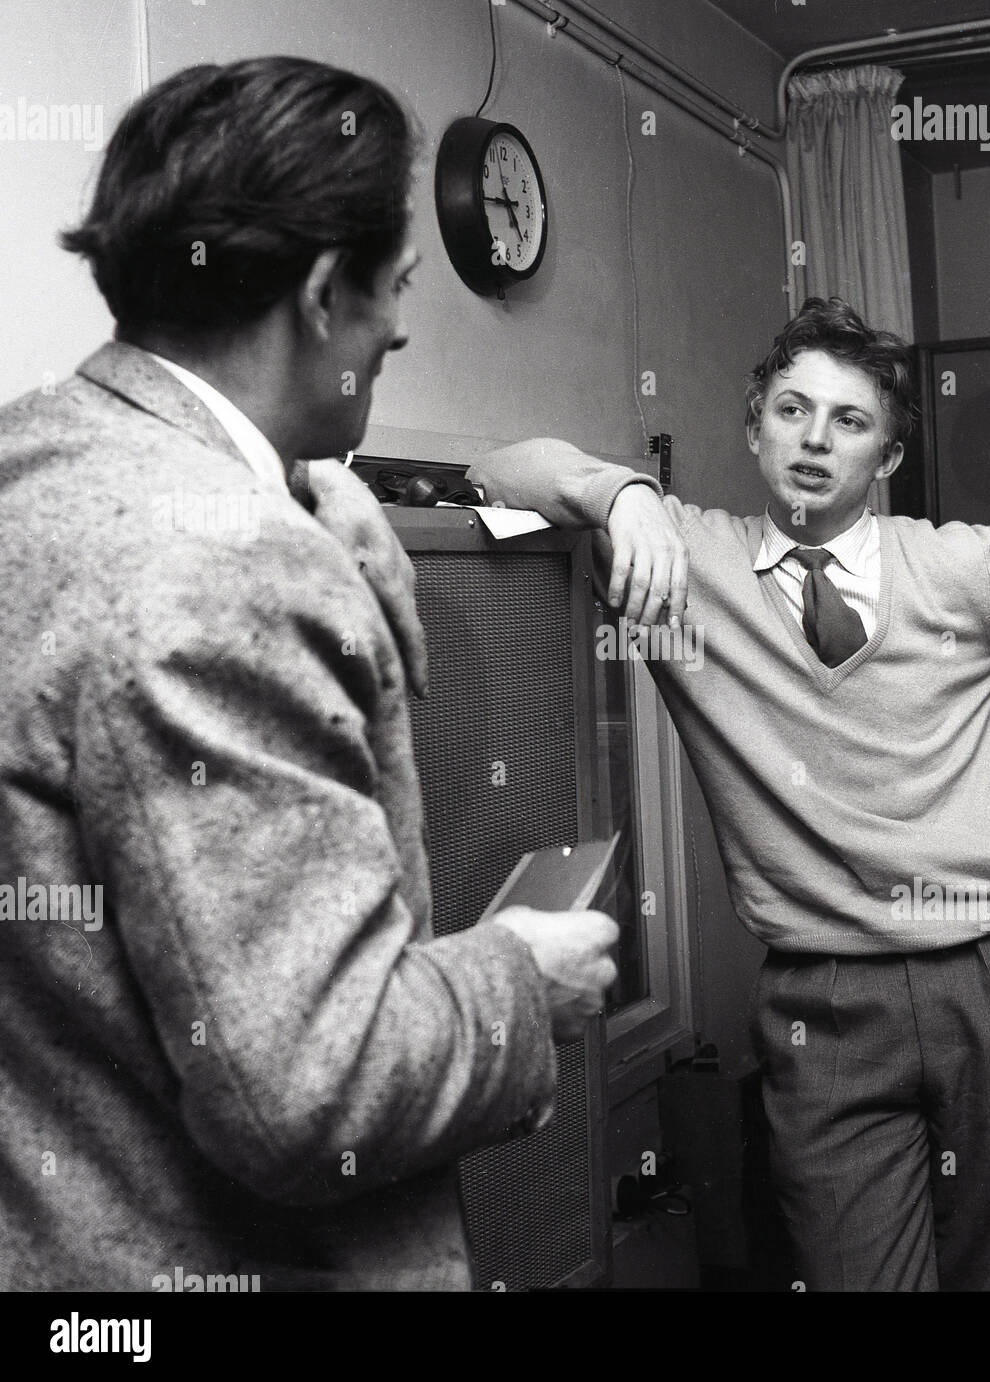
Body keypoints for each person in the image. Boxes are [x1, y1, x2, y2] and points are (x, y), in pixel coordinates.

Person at [0, 56, 620, 1291]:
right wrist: (517, 983)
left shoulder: (37, 464)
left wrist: (300, 497)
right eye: (394, 288)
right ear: (324, 292)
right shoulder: (229, 564)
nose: (397, 328)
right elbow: (309, 1089)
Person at [467, 297, 990, 1291]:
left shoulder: (959, 564)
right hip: (822, 1001)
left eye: (849, 420)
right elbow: (493, 470)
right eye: (791, 410)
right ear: (753, 429)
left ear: (888, 458)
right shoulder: (683, 562)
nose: (813, 440)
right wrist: (619, 494)